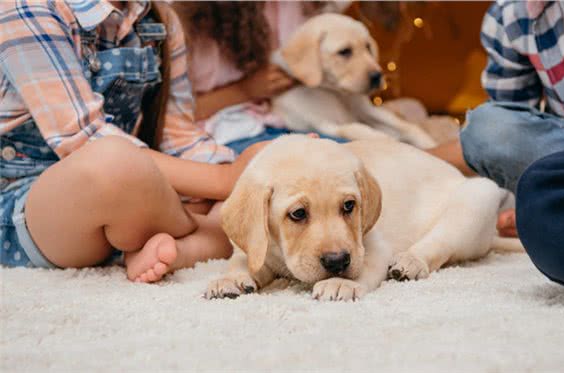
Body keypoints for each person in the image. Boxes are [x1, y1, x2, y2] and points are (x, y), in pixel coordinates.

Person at [0, 0, 268, 283]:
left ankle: (179, 250)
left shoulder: (160, 18)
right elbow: (83, 139)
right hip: (29, 210)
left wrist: (241, 171)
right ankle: (203, 233)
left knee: (243, 197)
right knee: (114, 163)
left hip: (130, 197)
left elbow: (180, 137)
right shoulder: (25, 7)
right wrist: (223, 178)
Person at [428, 1, 564, 300]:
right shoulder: (514, 15)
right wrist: (395, 158)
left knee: (544, 205)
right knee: (491, 130)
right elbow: (512, 130)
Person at [173, 1, 345, 154]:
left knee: (354, 153)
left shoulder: (300, 6)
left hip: (296, 120)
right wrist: (245, 90)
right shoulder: (186, 22)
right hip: (228, 134)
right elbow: (168, 116)